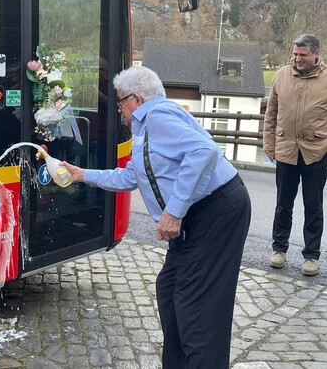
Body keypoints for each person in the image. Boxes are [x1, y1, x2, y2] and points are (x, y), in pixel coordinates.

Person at [61, 66, 250, 368]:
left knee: (197, 308)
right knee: (170, 290)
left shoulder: (158, 117)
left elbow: (205, 152)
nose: (119, 109)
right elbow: (132, 177)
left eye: (120, 102)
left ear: (135, 99)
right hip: (201, 212)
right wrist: (83, 175)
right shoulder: (147, 126)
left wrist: (174, 212)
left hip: (216, 210)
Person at [263, 34, 327, 276]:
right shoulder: (282, 75)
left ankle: (311, 256)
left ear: (316, 54)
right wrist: (269, 143)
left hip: (316, 152)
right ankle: (279, 250)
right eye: (295, 54)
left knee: (313, 206)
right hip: (285, 150)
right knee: (283, 204)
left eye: (303, 55)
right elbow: (271, 112)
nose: (297, 59)